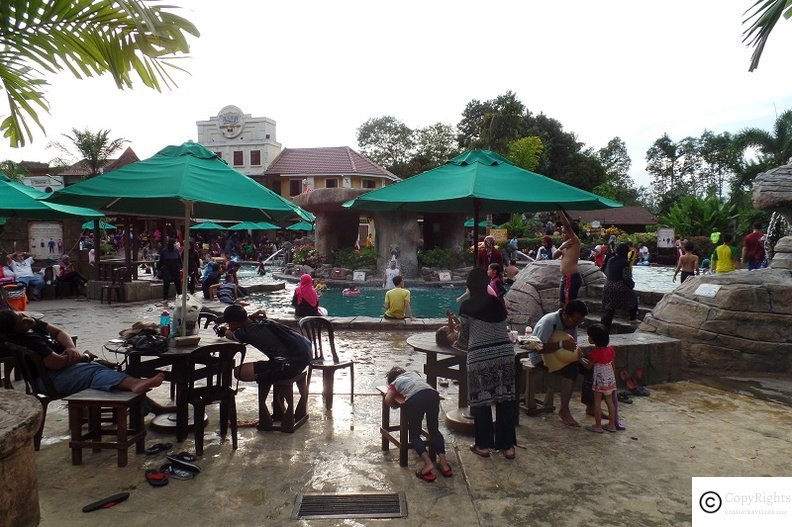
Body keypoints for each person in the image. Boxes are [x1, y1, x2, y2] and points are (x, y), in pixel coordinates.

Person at [0, 311, 164, 395]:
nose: (24, 318)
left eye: (21, 314)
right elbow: (56, 363)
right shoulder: (28, 341)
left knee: (105, 369)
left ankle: (149, 405)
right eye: (20, 321)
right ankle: (135, 384)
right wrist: (84, 357)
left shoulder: (32, 324)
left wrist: (71, 348)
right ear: (14, 331)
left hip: (62, 369)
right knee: (95, 371)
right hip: (48, 380)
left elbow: (59, 332)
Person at [460, 268, 516, 459]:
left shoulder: (466, 306)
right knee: (505, 399)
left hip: (480, 357)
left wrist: (454, 338)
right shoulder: (497, 303)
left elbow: (463, 340)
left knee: (482, 401)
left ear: (469, 286)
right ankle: (508, 447)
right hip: (505, 354)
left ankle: (483, 446)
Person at [384, 366, 452, 482]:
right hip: (432, 395)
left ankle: (428, 464)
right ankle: (444, 463)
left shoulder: (394, 383)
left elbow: (388, 400)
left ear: (391, 379)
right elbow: (421, 387)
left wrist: (395, 404)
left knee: (414, 435)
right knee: (434, 431)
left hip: (415, 399)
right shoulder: (414, 374)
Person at [215, 304, 312, 385]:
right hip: (302, 358)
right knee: (265, 364)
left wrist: (225, 330)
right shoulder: (260, 320)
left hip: (289, 366)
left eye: (229, 323)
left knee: (238, 372)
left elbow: (231, 335)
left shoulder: (247, 332)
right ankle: (277, 400)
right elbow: (244, 325)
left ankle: (269, 401)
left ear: (234, 323)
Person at [533, 300, 589, 427]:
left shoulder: (572, 324)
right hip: (540, 357)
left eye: (580, 322)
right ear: (565, 315)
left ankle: (591, 406)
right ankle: (564, 410)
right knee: (571, 371)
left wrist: (580, 357)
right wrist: (561, 344)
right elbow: (538, 347)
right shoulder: (549, 322)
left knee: (590, 367)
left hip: (560, 355)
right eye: (575, 321)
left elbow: (572, 345)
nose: (576, 325)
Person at [580, 324, 617, 434]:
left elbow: (588, 366)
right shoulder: (610, 350)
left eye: (589, 336)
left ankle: (598, 425)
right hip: (610, 380)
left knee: (597, 402)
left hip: (599, 382)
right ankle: (612, 424)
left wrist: (580, 358)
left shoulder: (594, 353)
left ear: (595, 339)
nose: (588, 338)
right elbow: (613, 365)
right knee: (610, 402)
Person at [600, 243, 639, 330]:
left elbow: (606, 272)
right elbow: (626, 277)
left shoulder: (610, 260)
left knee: (609, 309)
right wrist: (632, 285)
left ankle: (604, 327)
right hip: (619, 288)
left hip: (607, 287)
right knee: (634, 296)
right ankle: (633, 318)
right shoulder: (625, 262)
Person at [552, 211, 581, 306]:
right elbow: (554, 256)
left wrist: (560, 212)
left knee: (569, 305)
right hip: (565, 277)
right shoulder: (565, 244)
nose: (563, 234)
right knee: (561, 304)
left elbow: (567, 226)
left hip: (571, 277)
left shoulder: (575, 241)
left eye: (565, 233)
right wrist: (561, 247)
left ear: (570, 233)